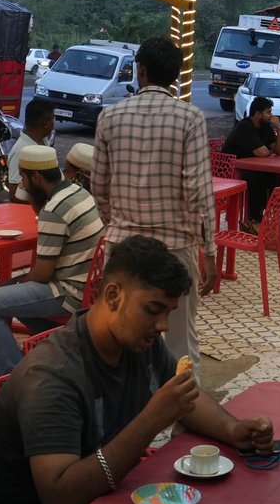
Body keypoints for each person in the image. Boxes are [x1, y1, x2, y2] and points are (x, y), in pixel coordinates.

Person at [0, 236, 275, 504]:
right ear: (114, 295)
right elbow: (61, 500)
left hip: (100, 500)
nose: (163, 325)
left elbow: (185, 398)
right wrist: (150, 420)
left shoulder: (138, 344)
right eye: (153, 310)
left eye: (169, 312)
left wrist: (233, 429)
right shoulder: (53, 377)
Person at [92, 38, 216, 366]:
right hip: (176, 250)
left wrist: (116, 224)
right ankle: (182, 400)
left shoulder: (109, 117)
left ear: (140, 71)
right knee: (180, 343)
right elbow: (199, 192)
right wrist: (209, 252)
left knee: (117, 341)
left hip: (123, 249)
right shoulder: (190, 118)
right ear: (175, 77)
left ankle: (124, 400)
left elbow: (99, 187)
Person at [0, 145, 104, 376]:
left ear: (36, 176)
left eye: (24, 178)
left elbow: (43, 273)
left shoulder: (55, 209)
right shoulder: (77, 192)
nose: (22, 184)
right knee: (8, 290)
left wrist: (20, 285)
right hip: (87, 289)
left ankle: (14, 378)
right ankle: (56, 354)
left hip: (68, 294)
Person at [222, 95, 280, 228]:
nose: (271, 115)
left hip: (252, 167)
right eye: (268, 112)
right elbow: (263, 152)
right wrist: (268, 150)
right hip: (231, 169)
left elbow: (279, 150)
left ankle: (269, 214)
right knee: (258, 178)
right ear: (257, 114)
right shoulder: (245, 126)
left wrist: (279, 129)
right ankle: (253, 219)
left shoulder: (265, 126)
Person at [6, 97, 57, 195]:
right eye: (53, 119)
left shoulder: (44, 141)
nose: (54, 123)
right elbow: (14, 193)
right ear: (46, 124)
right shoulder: (21, 151)